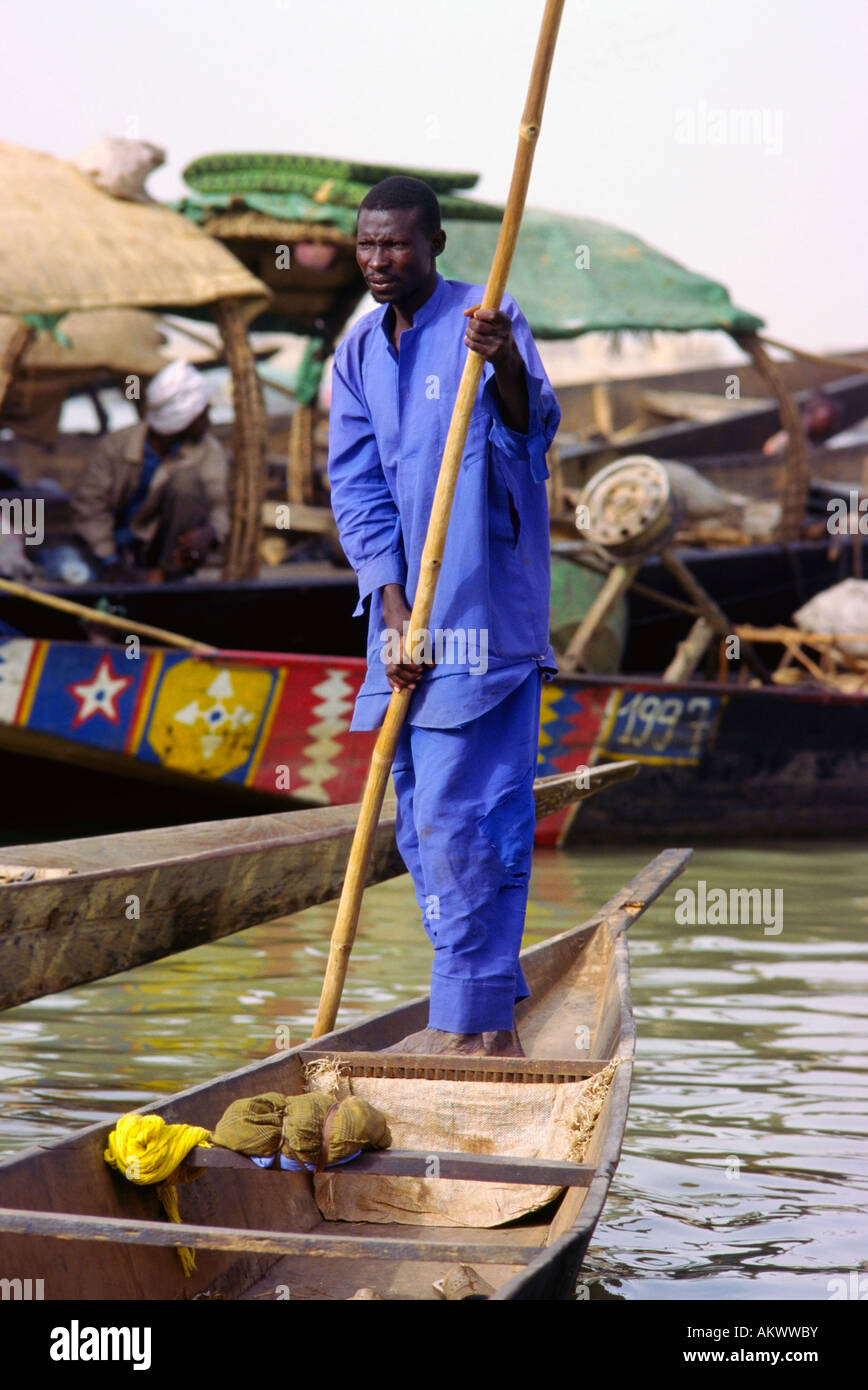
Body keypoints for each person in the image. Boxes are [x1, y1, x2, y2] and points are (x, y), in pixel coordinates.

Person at [328, 176, 561, 1058]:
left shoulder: (487, 320)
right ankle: (487, 997)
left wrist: (499, 359)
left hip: (483, 618)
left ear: (435, 246)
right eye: (366, 246)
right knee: (420, 817)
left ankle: (472, 1029)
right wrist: (388, 602)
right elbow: (356, 489)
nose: (378, 261)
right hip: (406, 629)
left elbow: (531, 432)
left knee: (470, 815)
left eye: (395, 246)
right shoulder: (358, 351)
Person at [70, 359, 229, 581]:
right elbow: (90, 507)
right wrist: (111, 562)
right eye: (202, 414)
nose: (208, 420)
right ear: (185, 418)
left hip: (161, 550)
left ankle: (166, 576)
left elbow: (219, 506)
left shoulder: (208, 450)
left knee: (186, 482)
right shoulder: (115, 446)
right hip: (113, 550)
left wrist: (210, 532)